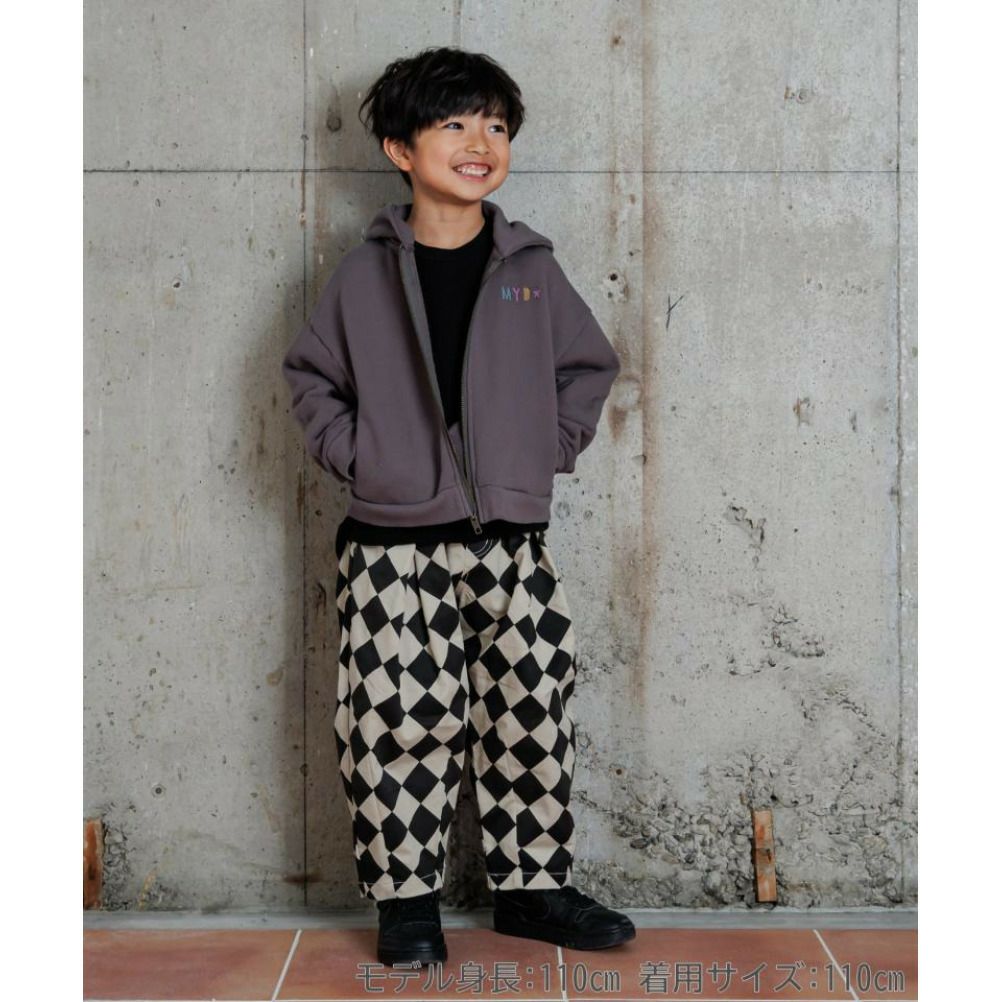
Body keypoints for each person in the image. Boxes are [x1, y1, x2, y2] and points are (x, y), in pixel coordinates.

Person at [281, 45, 633, 966]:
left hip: (513, 541)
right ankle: (407, 904)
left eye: (496, 126)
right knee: (397, 719)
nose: (480, 142)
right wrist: (367, 459)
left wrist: (543, 452)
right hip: (392, 545)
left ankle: (534, 891)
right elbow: (312, 380)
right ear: (401, 149)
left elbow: (588, 368)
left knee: (532, 708)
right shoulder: (363, 276)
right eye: (454, 123)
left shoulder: (530, 269)